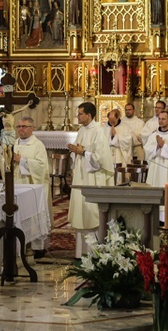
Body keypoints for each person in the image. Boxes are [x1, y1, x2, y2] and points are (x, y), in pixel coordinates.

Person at [67, 102, 115, 258]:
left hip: (93, 177)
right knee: (81, 211)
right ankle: (81, 252)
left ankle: (94, 252)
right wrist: (75, 151)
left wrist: (83, 152)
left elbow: (101, 158)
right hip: (81, 175)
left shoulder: (98, 132)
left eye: (80, 114)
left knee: (91, 212)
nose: (78, 116)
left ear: (89, 115)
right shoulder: (82, 130)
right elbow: (79, 150)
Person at [12, 116, 52, 255]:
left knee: (34, 216)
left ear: (32, 128)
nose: (20, 129)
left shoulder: (37, 145)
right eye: (19, 127)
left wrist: (21, 160)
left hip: (32, 187)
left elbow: (42, 167)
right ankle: (20, 245)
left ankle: (38, 247)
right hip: (17, 185)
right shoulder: (14, 143)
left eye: (24, 126)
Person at [106, 109, 133, 179]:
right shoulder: (104, 128)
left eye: (113, 121)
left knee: (120, 178)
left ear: (118, 118)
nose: (112, 124)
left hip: (120, 157)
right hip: (108, 156)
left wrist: (116, 136)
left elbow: (128, 141)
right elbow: (101, 142)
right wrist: (111, 138)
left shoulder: (125, 127)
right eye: (110, 121)